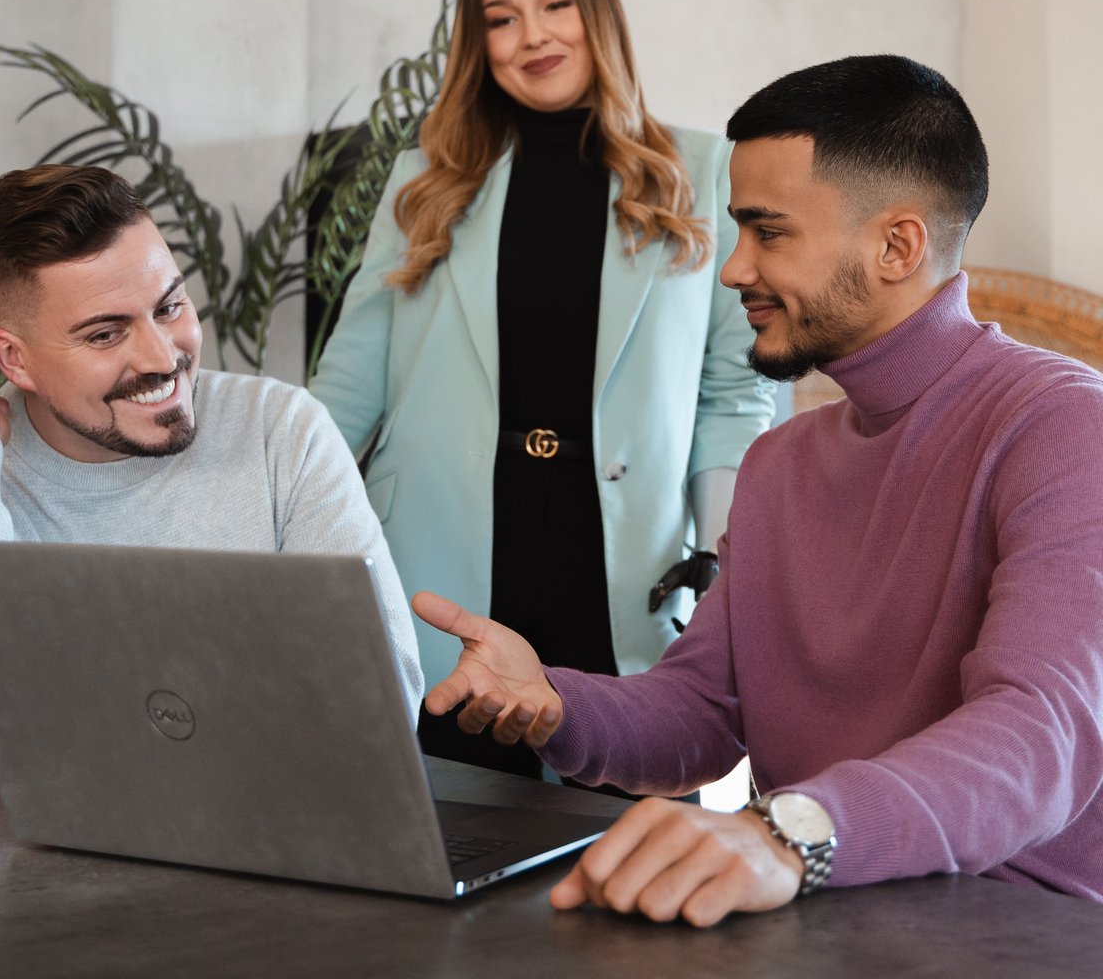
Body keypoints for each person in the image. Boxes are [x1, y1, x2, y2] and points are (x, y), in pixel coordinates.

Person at [412, 54, 1103, 923]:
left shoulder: (1065, 425)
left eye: (768, 233)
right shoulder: (781, 461)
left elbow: (1043, 732)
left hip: (1017, 932)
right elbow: (702, 711)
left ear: (897, 246)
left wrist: (792, 833)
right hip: (814, 915)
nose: (734, 269)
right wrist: (555, 700)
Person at [309, 0, 775, 783]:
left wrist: (725, 555)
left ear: (598, 13)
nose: (533, 36)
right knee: (450, 817)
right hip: (441, 558)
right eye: (502, 18)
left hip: (625, 563)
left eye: (555, 4)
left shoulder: (704, 170)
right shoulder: (426, 180)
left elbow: (732, 393)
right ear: (480, 44)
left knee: (627, 819)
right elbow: (349, 382)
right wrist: (275, 531)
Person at [0, 164, 423, 772]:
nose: (162, 357)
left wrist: (68, 707)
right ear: (13, 360)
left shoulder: (283, 432)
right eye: (105, 335)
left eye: (170, 306)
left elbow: (379, 711)